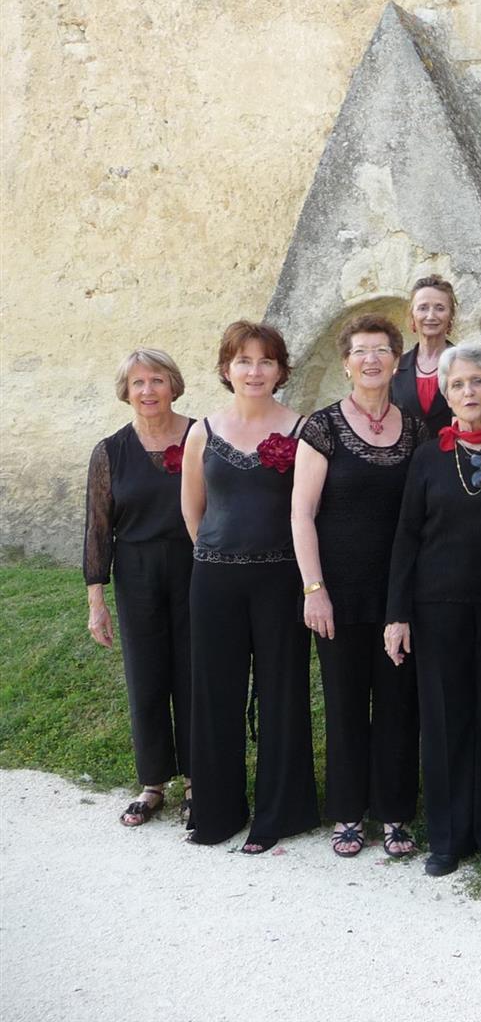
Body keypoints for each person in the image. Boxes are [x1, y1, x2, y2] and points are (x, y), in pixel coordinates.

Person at [292, 314, 426, 860]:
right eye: (361, 350)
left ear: (397, 360)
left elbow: (420, 516)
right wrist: (313, 588)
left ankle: (395, 813)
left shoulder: (416, 430)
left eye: (382, 349)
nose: (371, 358)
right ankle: (348, 812)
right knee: (345, 702)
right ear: (346, 363)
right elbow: (302, 512)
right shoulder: (321, 428)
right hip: (338, 592)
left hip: (399, 592)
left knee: (399, 704)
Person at [180, 321, 318, 853]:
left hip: (280, 579)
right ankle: (217, 811)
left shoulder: (302, 428)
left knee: (283, 692)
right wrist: (217, 553)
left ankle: (278, 813)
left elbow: (307, 509)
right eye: (244, 361)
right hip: (214, 579)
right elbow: (193, 509)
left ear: (281, 370)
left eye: (266, 361)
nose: (254, 371)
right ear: (225, 369)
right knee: (215, 694)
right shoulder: (203, 432)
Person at [385, 343, 481, 878]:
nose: (468, 392)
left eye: (477, 382)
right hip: (437, 605)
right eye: (457, 385)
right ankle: (447, 836)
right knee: (443, 721)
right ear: (445, 394)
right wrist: (397, 614)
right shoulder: (428, 456)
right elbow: (407, 536)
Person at [83, 348, 195, 827]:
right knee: (146, 677)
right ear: (125, 392)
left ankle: (197, 779)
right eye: (137, 383)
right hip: (136, 572)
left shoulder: (200, 437)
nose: (147, 391)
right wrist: (97, 601)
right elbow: (97, 528)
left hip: (196, 568)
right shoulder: (110, 451)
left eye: (156, 380)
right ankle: (153, 783)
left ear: (173, 384)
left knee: (195, 674)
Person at [391, 274, 457, 437]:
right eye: (423, 308)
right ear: (412, 316)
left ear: (450, 317)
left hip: (454, 457)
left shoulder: (467, 364)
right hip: (408, 460)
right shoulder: (395, 367)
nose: (431, 316)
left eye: (440, 308)